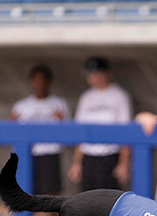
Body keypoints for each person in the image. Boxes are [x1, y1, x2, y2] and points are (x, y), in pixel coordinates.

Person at [69, 57, 132, 192]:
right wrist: (77, 163)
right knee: (87, 199)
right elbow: (80, 133)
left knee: (108, 200)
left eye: (98, 73)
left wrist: (123, 164)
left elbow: (126, 132)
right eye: (91, 74)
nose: (95, 78)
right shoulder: (86, 97)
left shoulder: (119, 95)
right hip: (89, 156)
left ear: (107, 73)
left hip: (110, 155)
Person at [11, 64, 70, 195]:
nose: (39, 83)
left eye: (43, 79)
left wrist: (62, 121)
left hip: (49, 153)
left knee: (51, 194)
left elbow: (68, 132)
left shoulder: (59, 103)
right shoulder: (21, 106)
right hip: (28, 154)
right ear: (32, 81)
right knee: (27, 191)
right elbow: (12, 131)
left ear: (49, 81)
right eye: (36, 79)